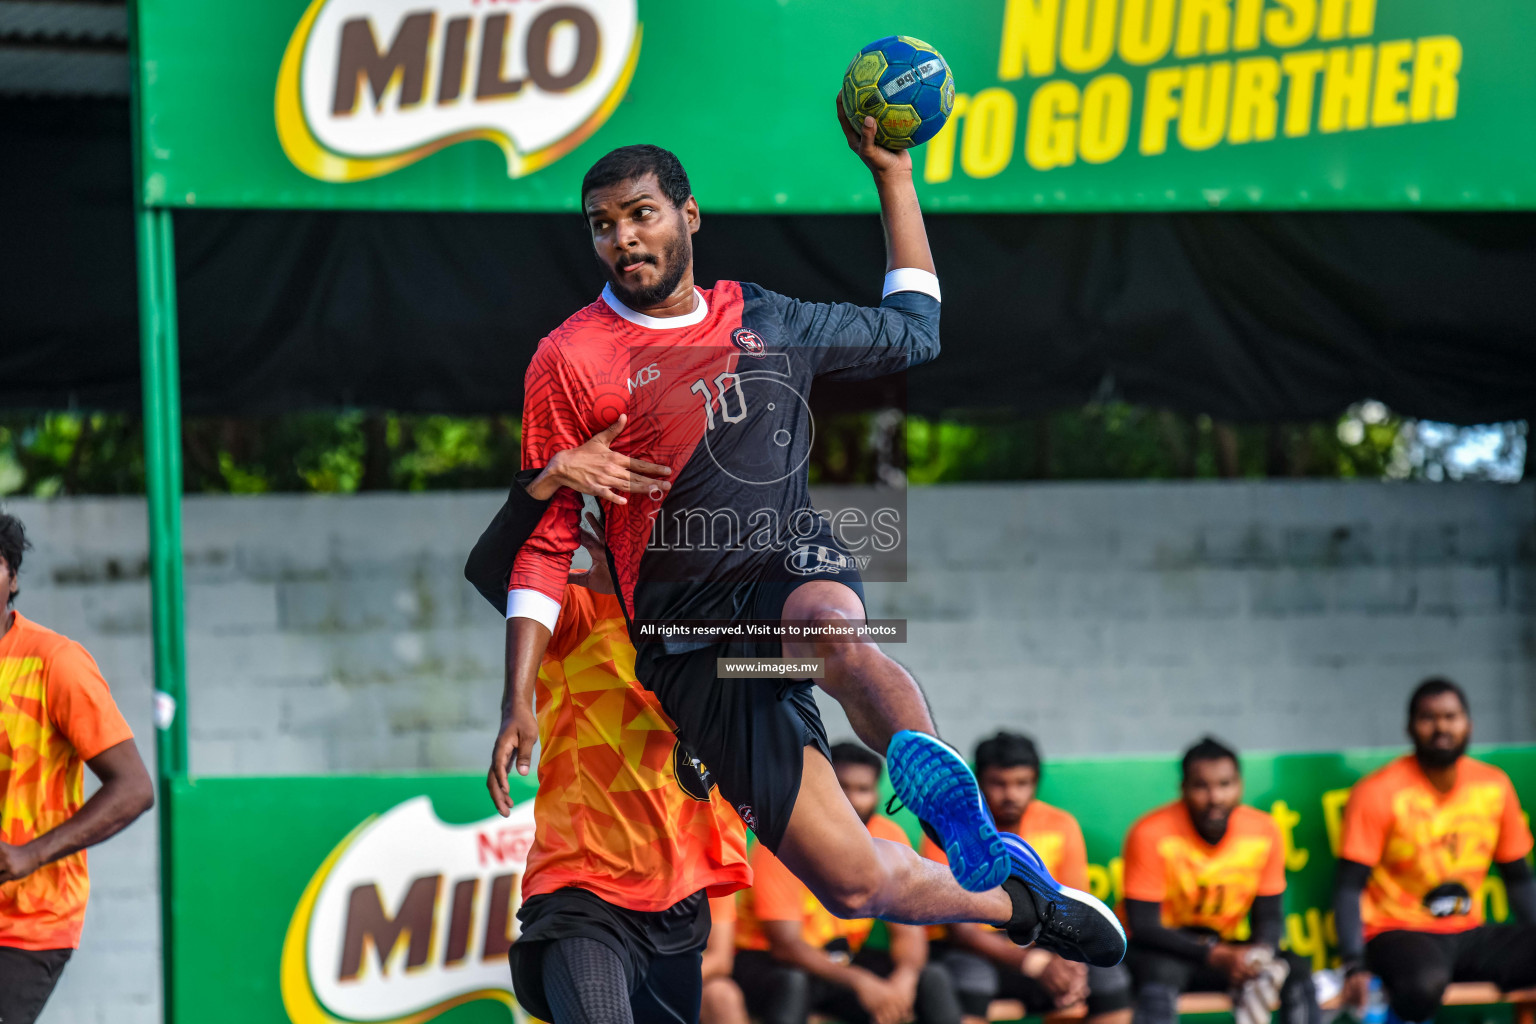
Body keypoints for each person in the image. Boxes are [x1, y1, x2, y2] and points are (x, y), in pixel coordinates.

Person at [489, 95, 1125, 972]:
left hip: (785, 568)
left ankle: (958, 820)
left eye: (640, 215)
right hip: (687, 638)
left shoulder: (768, 318)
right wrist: (515, 696)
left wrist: (893, 177)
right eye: (602, 226)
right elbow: (544, 539)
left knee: (836, 630)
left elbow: (915, 331)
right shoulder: (570, 358)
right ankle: (1018, 902)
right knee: (855, 885)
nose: (623, 239)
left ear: (688, 215)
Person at [467, 469, 752, 1024]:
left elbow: (804, 667)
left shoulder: (724, 627)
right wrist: (546, 480)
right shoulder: (576, 609)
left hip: (681, 908)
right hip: (586, 896)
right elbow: (489, 571)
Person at [0, 512, 155, 1024]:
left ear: (13, 578)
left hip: (27, 920)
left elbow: (134, 788)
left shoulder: (55, 663)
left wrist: (31, 854)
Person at [1334, 678, 1536, 1023]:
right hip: (1399, 931)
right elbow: (1348, 887)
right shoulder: (1378, 791)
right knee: (1424, 981)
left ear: (1468, 725)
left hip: (1468, 933)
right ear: (1410, 727)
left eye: (1450, 716)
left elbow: (1518, 878)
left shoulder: (1494, 786)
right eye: (1428, 717)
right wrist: (1353, 961)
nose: (1441, 727)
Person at [732, 741, 963, 1024]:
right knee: (793, 983)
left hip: (841, 963)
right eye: (842, 787)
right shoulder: (785, 838)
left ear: (876, 794)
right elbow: (786, 945)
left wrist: (905, 978)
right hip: (770, 962)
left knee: (930, 977)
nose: (852, 800)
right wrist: (862, 983)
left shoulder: (887, 837)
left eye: (863, 789)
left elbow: (908, 930)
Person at [921, 732, 1133, 1024]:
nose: (1011, 795)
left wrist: (1065, 963)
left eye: (1021, 783)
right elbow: (960, 930)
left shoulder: (1061, 824)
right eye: (999, 783)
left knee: (1107, 978)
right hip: (979, 952)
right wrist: (1033, 963)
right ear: (979, 784)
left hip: (1045, 946)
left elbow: (1076, 912)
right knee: (971, 979)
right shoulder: (949, 829)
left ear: (1035, 782)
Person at [1120, 737, 1318, 1024]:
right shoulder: (1150, 832)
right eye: (1202, 786)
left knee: (1295, 967)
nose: (1216, 797)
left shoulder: (1264, 830)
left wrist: (1256, 956)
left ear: (1240, 785)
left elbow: (1270, 918)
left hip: (1223, 949)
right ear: (1183, 789)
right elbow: (1144, 927)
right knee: (1161, 973)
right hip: (1163, 949)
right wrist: (1215, 954)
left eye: (1225, 784)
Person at [700, 896, 749, 1024]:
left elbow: (720, 960)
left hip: (687, 974)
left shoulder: (713, 882)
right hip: (644, 971)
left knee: (722, 996)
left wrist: (672, 981)